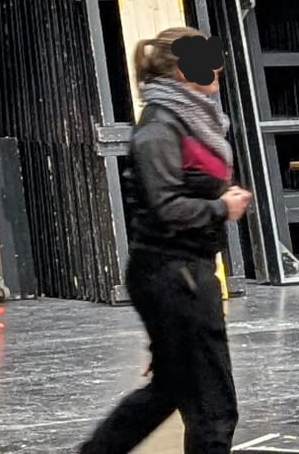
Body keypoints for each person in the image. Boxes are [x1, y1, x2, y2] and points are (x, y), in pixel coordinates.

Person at [80, 25, 253, 454]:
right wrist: (221, 208)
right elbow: (165, 206)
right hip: (173, 273)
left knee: (171, 391)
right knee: (213, 407)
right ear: (182, 71)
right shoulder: (160, 127)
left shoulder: (192, 119)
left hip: (185, 272)